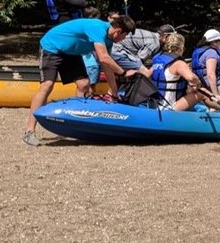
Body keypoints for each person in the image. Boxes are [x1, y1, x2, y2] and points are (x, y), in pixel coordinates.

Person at [24, 14, 136, 146]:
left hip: (71, 52)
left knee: (83, 85)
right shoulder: (97, 28)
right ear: (118, 31)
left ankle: (74, 125)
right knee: (47, 85)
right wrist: (123, 72)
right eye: (125, 36)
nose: (124, 39)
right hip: (52, 47)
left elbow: (106, 66)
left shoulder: (109, 40)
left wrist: (115, 92)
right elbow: (104, 57)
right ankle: (29, 132)